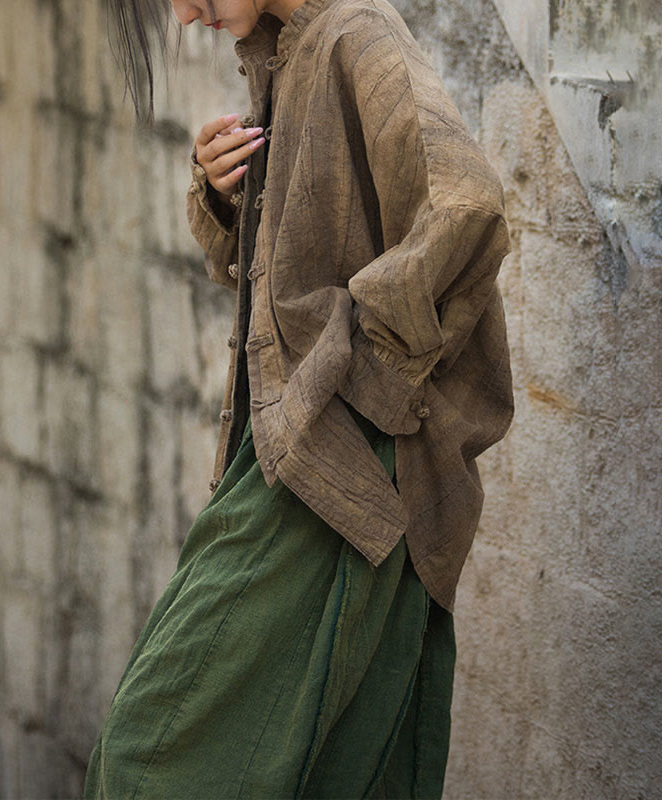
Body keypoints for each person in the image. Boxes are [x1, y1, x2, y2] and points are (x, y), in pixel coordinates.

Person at [84, 0, 514, 797]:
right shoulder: (291, 53)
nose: (182, 14)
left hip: (338, 464)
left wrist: (361, 377)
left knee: (144, 764)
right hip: (306, 455)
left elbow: (468, 207)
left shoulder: (359, 33)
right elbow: (292, 273)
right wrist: (222, 196)